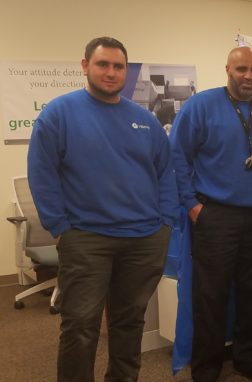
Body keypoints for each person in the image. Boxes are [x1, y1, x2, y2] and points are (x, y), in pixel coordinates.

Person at [27, 36, 178, 382]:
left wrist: (166, 222)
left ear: (126, 71)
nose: (111, 72)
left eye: (118, 66)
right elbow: (42, 173)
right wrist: (59, 226)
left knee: (129, 323)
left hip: (143, 239)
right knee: (80, 326)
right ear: (85, 66)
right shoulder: (59, 114)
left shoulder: (144, 120)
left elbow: (165, 172)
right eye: (102, 64)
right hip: (86, 238)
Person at [170, 46, 252, 382]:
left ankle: (247, 359)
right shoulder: (201, 106)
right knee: (211, 294)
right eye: (242, 70)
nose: (248, 77)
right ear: (228, 69)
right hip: (216, 215)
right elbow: (177, 157)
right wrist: (192, 204)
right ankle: (206, 367)